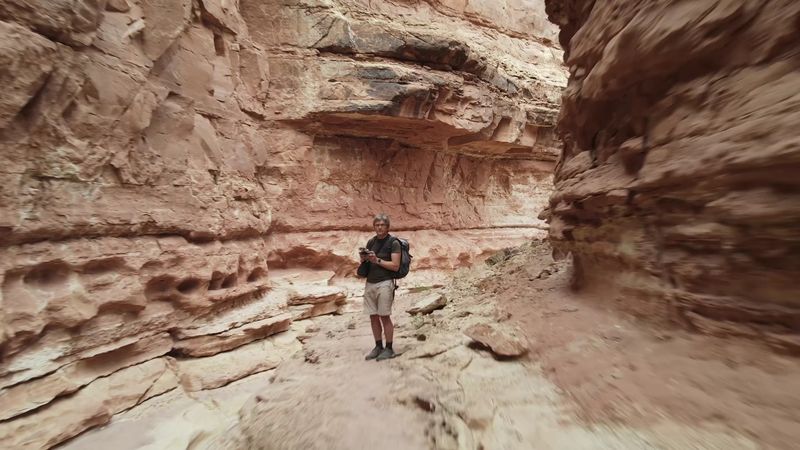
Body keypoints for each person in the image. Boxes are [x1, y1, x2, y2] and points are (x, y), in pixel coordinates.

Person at [358, 213, 401, 361]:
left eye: (382, 225)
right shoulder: (371, 242)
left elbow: (395, 266)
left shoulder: (394, 243)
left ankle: (389, 348)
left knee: (384, 316)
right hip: (370, 283)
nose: (379, 227)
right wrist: (365, 258)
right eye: (377, 225)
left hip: (385, 283)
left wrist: (376, 260)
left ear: (387, 227)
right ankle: (378, 346)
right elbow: (369, 262)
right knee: (373, 317)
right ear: (374, 227)